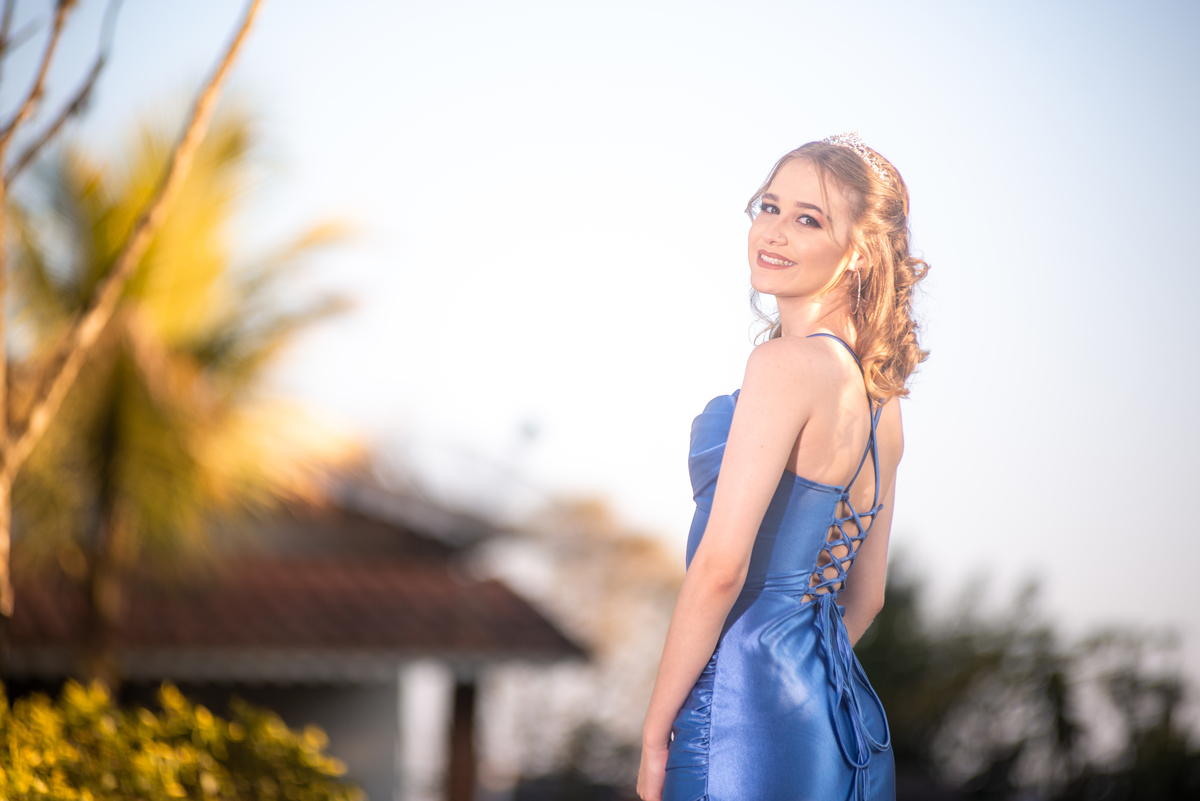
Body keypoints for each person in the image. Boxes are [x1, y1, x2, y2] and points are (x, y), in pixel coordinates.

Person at [637, 133, 928, 801]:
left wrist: (658, 728)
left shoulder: (785, 366)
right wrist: (795, 670)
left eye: (808, 219)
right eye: (769, 207)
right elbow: (867, 595)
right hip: (831, 712)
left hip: (740, 707)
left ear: (860, 251)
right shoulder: (883, 400)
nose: (775, 232)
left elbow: (720, 569)